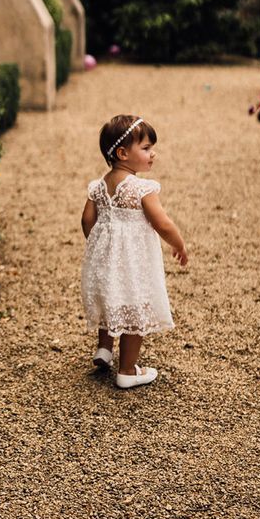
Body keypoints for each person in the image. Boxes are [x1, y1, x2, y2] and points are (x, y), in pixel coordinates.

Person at [80, 114, 188, 389]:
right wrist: (178, 244)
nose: (153, 154)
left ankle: (104, 350)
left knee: (110, 299)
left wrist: (97, 247)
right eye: (146, 148)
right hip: (132, 263)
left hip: (105, 259)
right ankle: (127, 370)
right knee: (133, 308)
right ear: (123, 153)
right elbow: (161, 222)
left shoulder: (99, 186)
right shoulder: (141, 188)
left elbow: (86, 220)